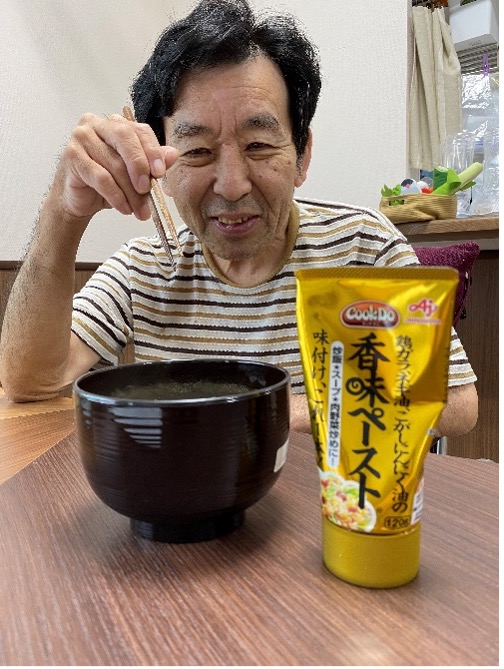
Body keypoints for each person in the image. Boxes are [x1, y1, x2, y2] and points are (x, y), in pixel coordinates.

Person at [0, 0, 477, 436]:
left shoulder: (362, 247)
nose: (232, 185)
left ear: (302, 155)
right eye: (197, 151)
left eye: (259, 145)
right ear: (161, 166)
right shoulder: (143, 268)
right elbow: (27, 382)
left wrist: (258, 410)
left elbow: (454, 402)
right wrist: (63, 212)